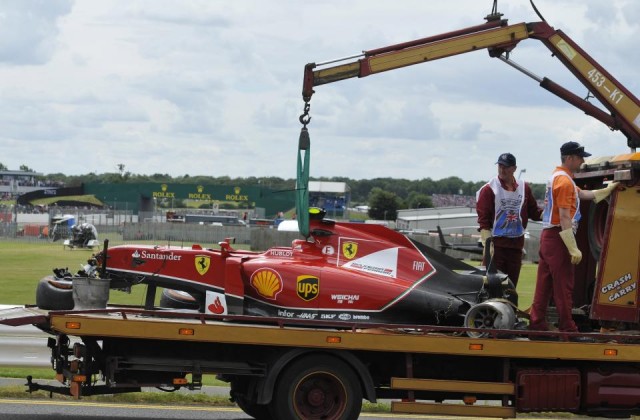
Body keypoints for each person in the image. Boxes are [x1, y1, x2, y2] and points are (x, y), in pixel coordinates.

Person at [529, 141, 618, 334]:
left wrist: (605, 191)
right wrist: (572, 246)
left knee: (544, 284)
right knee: (564, 285)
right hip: (559, 237)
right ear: (569, 158)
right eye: (580, 157)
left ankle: (537, 323)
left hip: (549, 237)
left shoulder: (558, 177)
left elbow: (582, 194)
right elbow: (564, 216)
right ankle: (567, 327)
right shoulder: (564, 181)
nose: (582, 161)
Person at [476, 152, 542, 286]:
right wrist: (488, 246)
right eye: (500, 166)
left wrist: (553, 214)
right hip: (496, 247)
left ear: (514, 169)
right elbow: (484, 222)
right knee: (491, 287)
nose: (502, 169)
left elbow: (534, 212)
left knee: (510, 288)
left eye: (505, 166)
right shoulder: (489, 189)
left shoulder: (524, 188)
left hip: (516, 248)